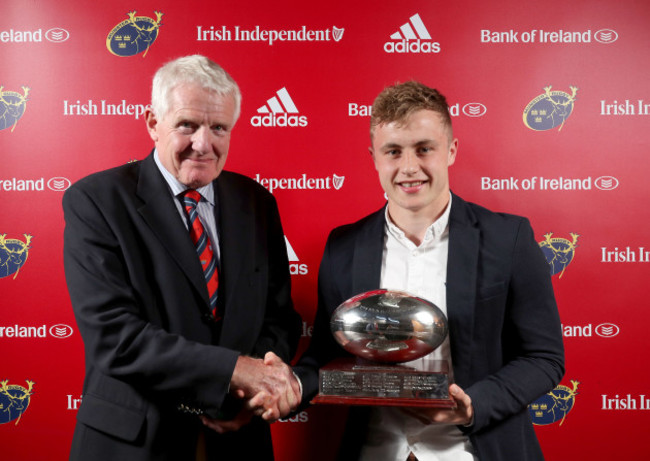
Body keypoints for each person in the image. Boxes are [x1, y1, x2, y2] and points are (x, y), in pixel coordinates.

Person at [293, 81, 565, 460]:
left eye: (424, 149)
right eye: (393, 151)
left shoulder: (509, 238)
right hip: (376, 450)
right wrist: (286, 385)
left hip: (472, 449)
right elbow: (326, 354)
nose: (409, 167)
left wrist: (472, 406)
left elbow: (544, 357)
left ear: (451, 151)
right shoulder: (344, 246)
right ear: (374, 157)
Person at [63, 55, 302, 460]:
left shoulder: (257, 202)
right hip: (135, 442)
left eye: (219, 128)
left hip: (238, 437)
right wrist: (234, 371)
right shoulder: (96, 201)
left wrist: (247, 396)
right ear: (154, 123)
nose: (203, 144)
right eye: (187, 124)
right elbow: (114, 338)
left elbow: (279, 319)